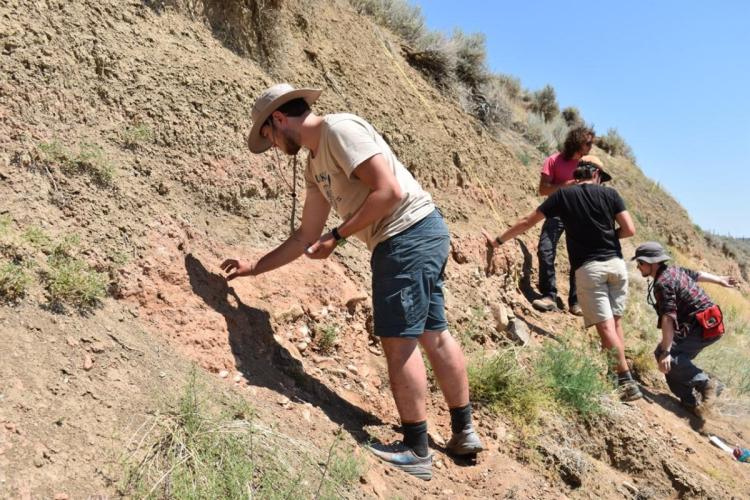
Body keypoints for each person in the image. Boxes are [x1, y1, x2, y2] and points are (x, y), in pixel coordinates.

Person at [221, 83, 483, 481]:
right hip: (420, 233)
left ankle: (417, 448)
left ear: (278, 119)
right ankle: (463, 432)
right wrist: (253, 266)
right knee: (434, 333)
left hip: (404, 234)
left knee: (399, 341)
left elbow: (389, 191)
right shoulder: (314, 165)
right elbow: (304, 236)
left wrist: (339, 236)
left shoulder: (339, 131)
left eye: (268, 136)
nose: (272, 146)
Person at [483, 155, 642, 401]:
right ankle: (618, 374)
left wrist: (499, 240)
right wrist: (608, 237)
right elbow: (630, 229)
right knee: (615, 323)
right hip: (616, 266)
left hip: (590, 269)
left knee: (605, 327)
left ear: (577, 173)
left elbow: (528, 221)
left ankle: (626, 381)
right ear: (597, 175)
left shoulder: (563, 195)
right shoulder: (611, 195)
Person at [633, 241, 737, 415]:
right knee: (666, 360)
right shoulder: (673, 270)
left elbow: (668, 318)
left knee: (666, 356)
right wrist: (719, 280)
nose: (638, 267)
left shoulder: (663, 284)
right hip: (708, 322)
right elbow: (697, 275)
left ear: (653, 263)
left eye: (640, 263)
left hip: (702, 327)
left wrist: (666, 351)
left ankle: (708, 383)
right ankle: (690, 404)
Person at [534, 126, 595, 316]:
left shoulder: (589, 165)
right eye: (588, 143)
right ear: (577, 142)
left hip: (579, 215)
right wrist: (566, 186)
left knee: (578, 258)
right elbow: (543, 190)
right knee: (545, 250)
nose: (591, 147)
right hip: (555, 212)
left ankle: (575, 301)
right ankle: (549, 295)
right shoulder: (553, 160)